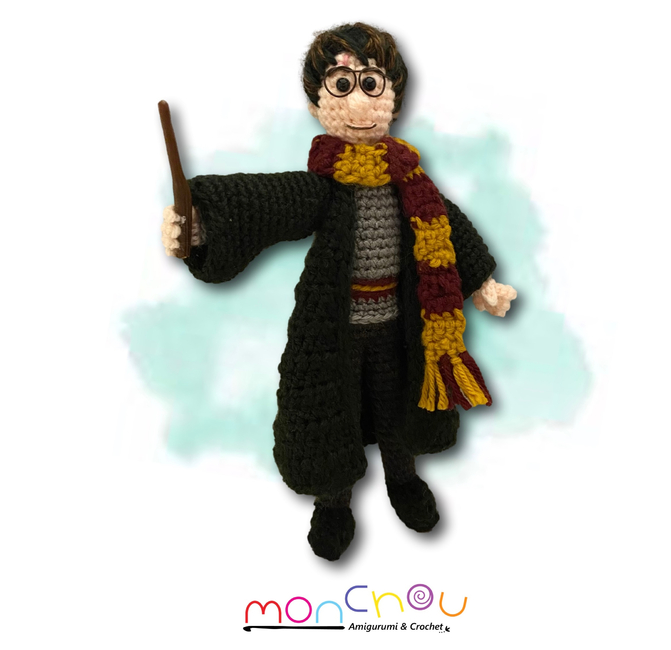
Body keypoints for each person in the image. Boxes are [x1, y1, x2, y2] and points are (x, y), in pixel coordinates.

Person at [161, 22, 516, 560]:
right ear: (317, 104)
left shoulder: (412, 184)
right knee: (334, 414)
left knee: (396, 407)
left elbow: (448, 226)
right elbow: (265, 203)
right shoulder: (322, 188)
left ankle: (403, 479)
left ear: (393, 96)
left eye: (371, 85)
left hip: (398, 327)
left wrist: (482, 282)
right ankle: (333, 502)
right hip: (335, 328)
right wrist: (199, 226)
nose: (359, 103)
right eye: (342, 86)